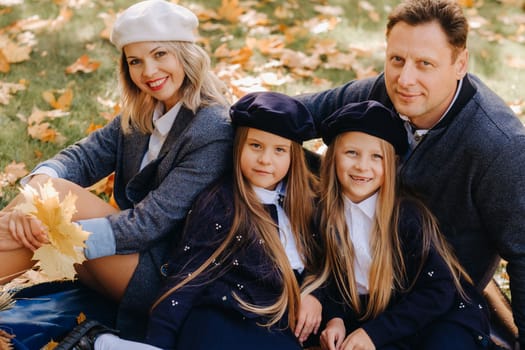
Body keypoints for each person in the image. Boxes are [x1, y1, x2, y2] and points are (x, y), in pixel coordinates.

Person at [295, 0, 525, 347]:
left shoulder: (499, 146)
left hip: (440, 298)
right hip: (352, 285)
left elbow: (523, 253)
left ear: (460, 63)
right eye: (396, 60)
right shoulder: (377, 95)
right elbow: (292, 115)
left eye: (425, 64)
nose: (405, 79)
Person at [0, 0, 232, 340]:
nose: (148, 72)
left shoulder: (211, 127)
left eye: (160, 55)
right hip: (118, 257)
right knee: (37, 205)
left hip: (161, 276)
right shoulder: (142, 113)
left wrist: (62, 230)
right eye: (135, 61)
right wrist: (36, 188)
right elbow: (82, 157)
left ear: (186, 54)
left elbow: (150, 223)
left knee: (53, 204)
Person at [56, 91, 322, 350]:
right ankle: (109, 344)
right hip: (220, 318)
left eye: (279, 150)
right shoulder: (221, 205)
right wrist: (158, 342)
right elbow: (188, 277)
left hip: (275, 324)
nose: (265, 159)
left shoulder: (306, 203)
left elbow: (328, 267)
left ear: (294, 156)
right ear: (239, 146)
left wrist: (314, 296)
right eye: (255, 146)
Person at [307, 100, 491, 350]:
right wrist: (335, 318)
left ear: (390, 165)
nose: (362, 166)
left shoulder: (406, 217)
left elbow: (438, 290)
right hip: (381, 316)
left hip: (438, 313)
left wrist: (374, 334)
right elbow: (327, 278)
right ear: (332, 158)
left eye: (376, 157)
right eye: (352, 153)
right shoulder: (322, 215)